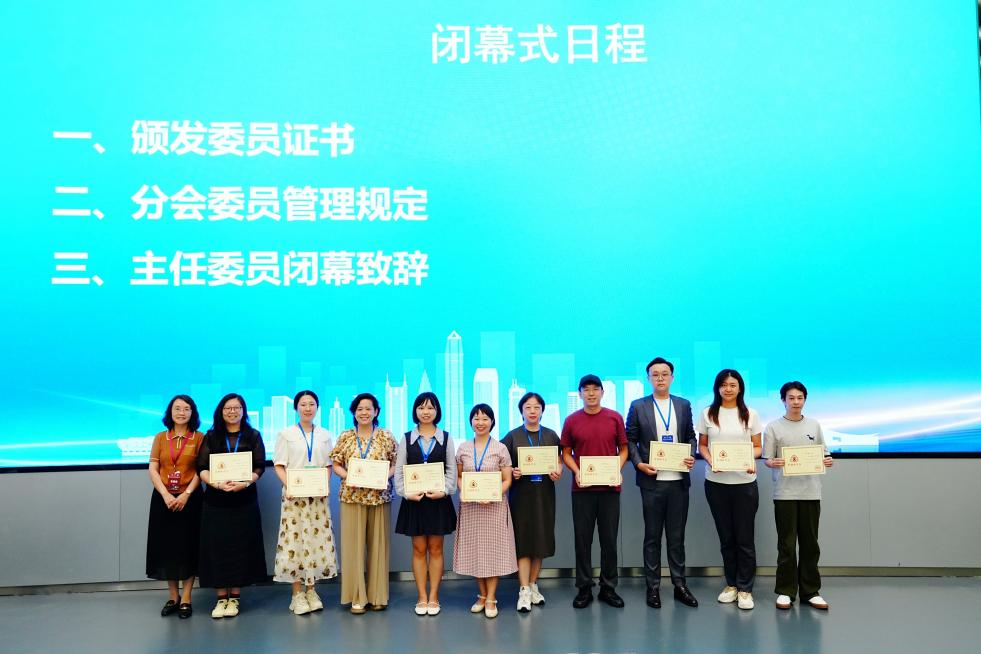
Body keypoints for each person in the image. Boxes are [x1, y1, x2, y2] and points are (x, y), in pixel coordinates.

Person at [625, 358, 699, 610]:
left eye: (664, 374)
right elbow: (630, 440)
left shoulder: (683, 404)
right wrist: (638, 464)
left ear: (672, 377)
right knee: (652, 537)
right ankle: (653, 587)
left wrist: (691, 453)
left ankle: (680, 586)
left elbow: (690, 435)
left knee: (677, 538)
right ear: (648, 378)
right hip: (651, 481)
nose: (660, 378)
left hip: (678, 481)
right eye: (655, 374)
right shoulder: (638, 406)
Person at [763, 381, 833, 610]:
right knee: (786, 544)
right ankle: (785, 591)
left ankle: (811, 591)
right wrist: (773, 462)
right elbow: (767, 460)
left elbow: (824, 453)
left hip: (811, 491)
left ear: (805, 400)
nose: (795, 402)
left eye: (800, 398)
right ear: (783, 400)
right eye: (791, 398)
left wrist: (827, 460)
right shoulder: (773, 427)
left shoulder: (814, 425)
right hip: (785, 493)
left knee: (810, 543)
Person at [560, 374, 629, 609]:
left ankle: (608, 588)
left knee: (609, 540)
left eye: (595, 389)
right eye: (586, 389)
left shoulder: (614, 417)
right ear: (580, 393)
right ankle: (584, 588)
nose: (591, 393)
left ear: (602, 392)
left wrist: (616, 469)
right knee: (583, 540)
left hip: (610, 488)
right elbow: (566, 453)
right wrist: (577, 471)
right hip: (582, 489)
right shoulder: (571, 420)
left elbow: (624, 449)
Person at [197, 393, 268, 619]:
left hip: (244, 500)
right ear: (221, 411)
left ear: (243, 411)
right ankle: (221, 598)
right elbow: (201, 467)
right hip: (215, 501)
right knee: (216, 547)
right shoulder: (211, 436)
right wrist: (216, 483)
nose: (232, 411)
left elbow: (260, 466)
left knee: (240, 547)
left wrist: (244, 483)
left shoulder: (253, 435)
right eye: (228, 408)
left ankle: (235, 597)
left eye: (237, 408)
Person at [697, 369, 762, 610]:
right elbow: (703, 445)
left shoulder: (750, 414)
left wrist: (749, 458)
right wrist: (711, 460)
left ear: (740, 388)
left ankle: (745, 589)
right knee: (726, 538)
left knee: (744, 539)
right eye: (723, 384)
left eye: (733, 385)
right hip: (716, 484)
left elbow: (758, 447)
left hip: (744, 484)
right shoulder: (707, 413)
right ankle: (732, 584)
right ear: (717, 388)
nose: (728, 389)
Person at [272, 390, 338, 615]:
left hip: (317, 499)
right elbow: (279, 465)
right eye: (303, 404)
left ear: (317, 407)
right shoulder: (286, 434)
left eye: (312, 404)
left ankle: (312, 590)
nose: (308, 408)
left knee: (316, 541)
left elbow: (328, 465)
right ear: (296, 408)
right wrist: (290, 486)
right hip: (294, 498)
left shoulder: (324, 435)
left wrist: (324, 486)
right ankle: (297, 594)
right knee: (296, 542)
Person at [331, 392, 397, 614]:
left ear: (376, 412)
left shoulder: (386, 436)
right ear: (354, 412)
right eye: (359, 409)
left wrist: (384, 476)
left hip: (379, 497)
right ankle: (357, 596)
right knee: (353, 547)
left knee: (379, 546)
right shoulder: (346, 436)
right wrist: (349, 476)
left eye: (368, 408)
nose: (364, 413)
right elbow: (336, 464)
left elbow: (397, 463)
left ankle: (378, 595)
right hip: (352, 497)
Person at [394, 392, 457, 616]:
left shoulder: (446, 438)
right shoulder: (407, 438)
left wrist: (444, 491)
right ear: (415, 411)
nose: (426, 412)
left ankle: (434, 597)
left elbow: (452, 471)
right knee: (419, 549)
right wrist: (405, 493)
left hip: (438, 502)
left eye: (430, 407)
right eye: (421, 407)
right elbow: (399, 471)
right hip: (415, 503)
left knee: (436, 549)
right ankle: (421, 597)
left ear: (437, 411)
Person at [453, 404, 517, 619]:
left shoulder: (500, 448)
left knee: (492, 551)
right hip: (471, 508)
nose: (480, 422)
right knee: (476, 551)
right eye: (476, 418)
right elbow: (459, 476)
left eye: (485, 418)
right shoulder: (463, 448)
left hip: (494, 507)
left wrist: (493, 494)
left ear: (492, 422)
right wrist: (465, 490)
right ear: (471, 422)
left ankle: (491, 597)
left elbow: (507, 479)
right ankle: (481, 595)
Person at [501, 392, 561, 612]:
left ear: (542, 410)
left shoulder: (551, 435)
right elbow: (502, 465)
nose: (532, 411)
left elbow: (559, 460)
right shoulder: (512, 436)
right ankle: (524, 589)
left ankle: (533, 584)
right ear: (521, 411)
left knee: (540, 542)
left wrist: (558, 471)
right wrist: (512, 472)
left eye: (536, 407)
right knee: (524, 543)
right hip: (521, 498)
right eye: (528, 407)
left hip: (544, 496)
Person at [146, 394, 204, 619]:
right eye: (177, 408)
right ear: (170, 412)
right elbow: (153, 468)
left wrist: (186, 494)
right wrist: (166, 494)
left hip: (190, 499)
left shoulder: (199, 438)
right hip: (164, 499)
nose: (182, 412)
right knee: (167, 547)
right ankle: (173, 596)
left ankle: (187, 597)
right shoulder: (161, 438)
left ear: (192, 412)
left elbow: (201, 470)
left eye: (186, 409)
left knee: (188, 546)